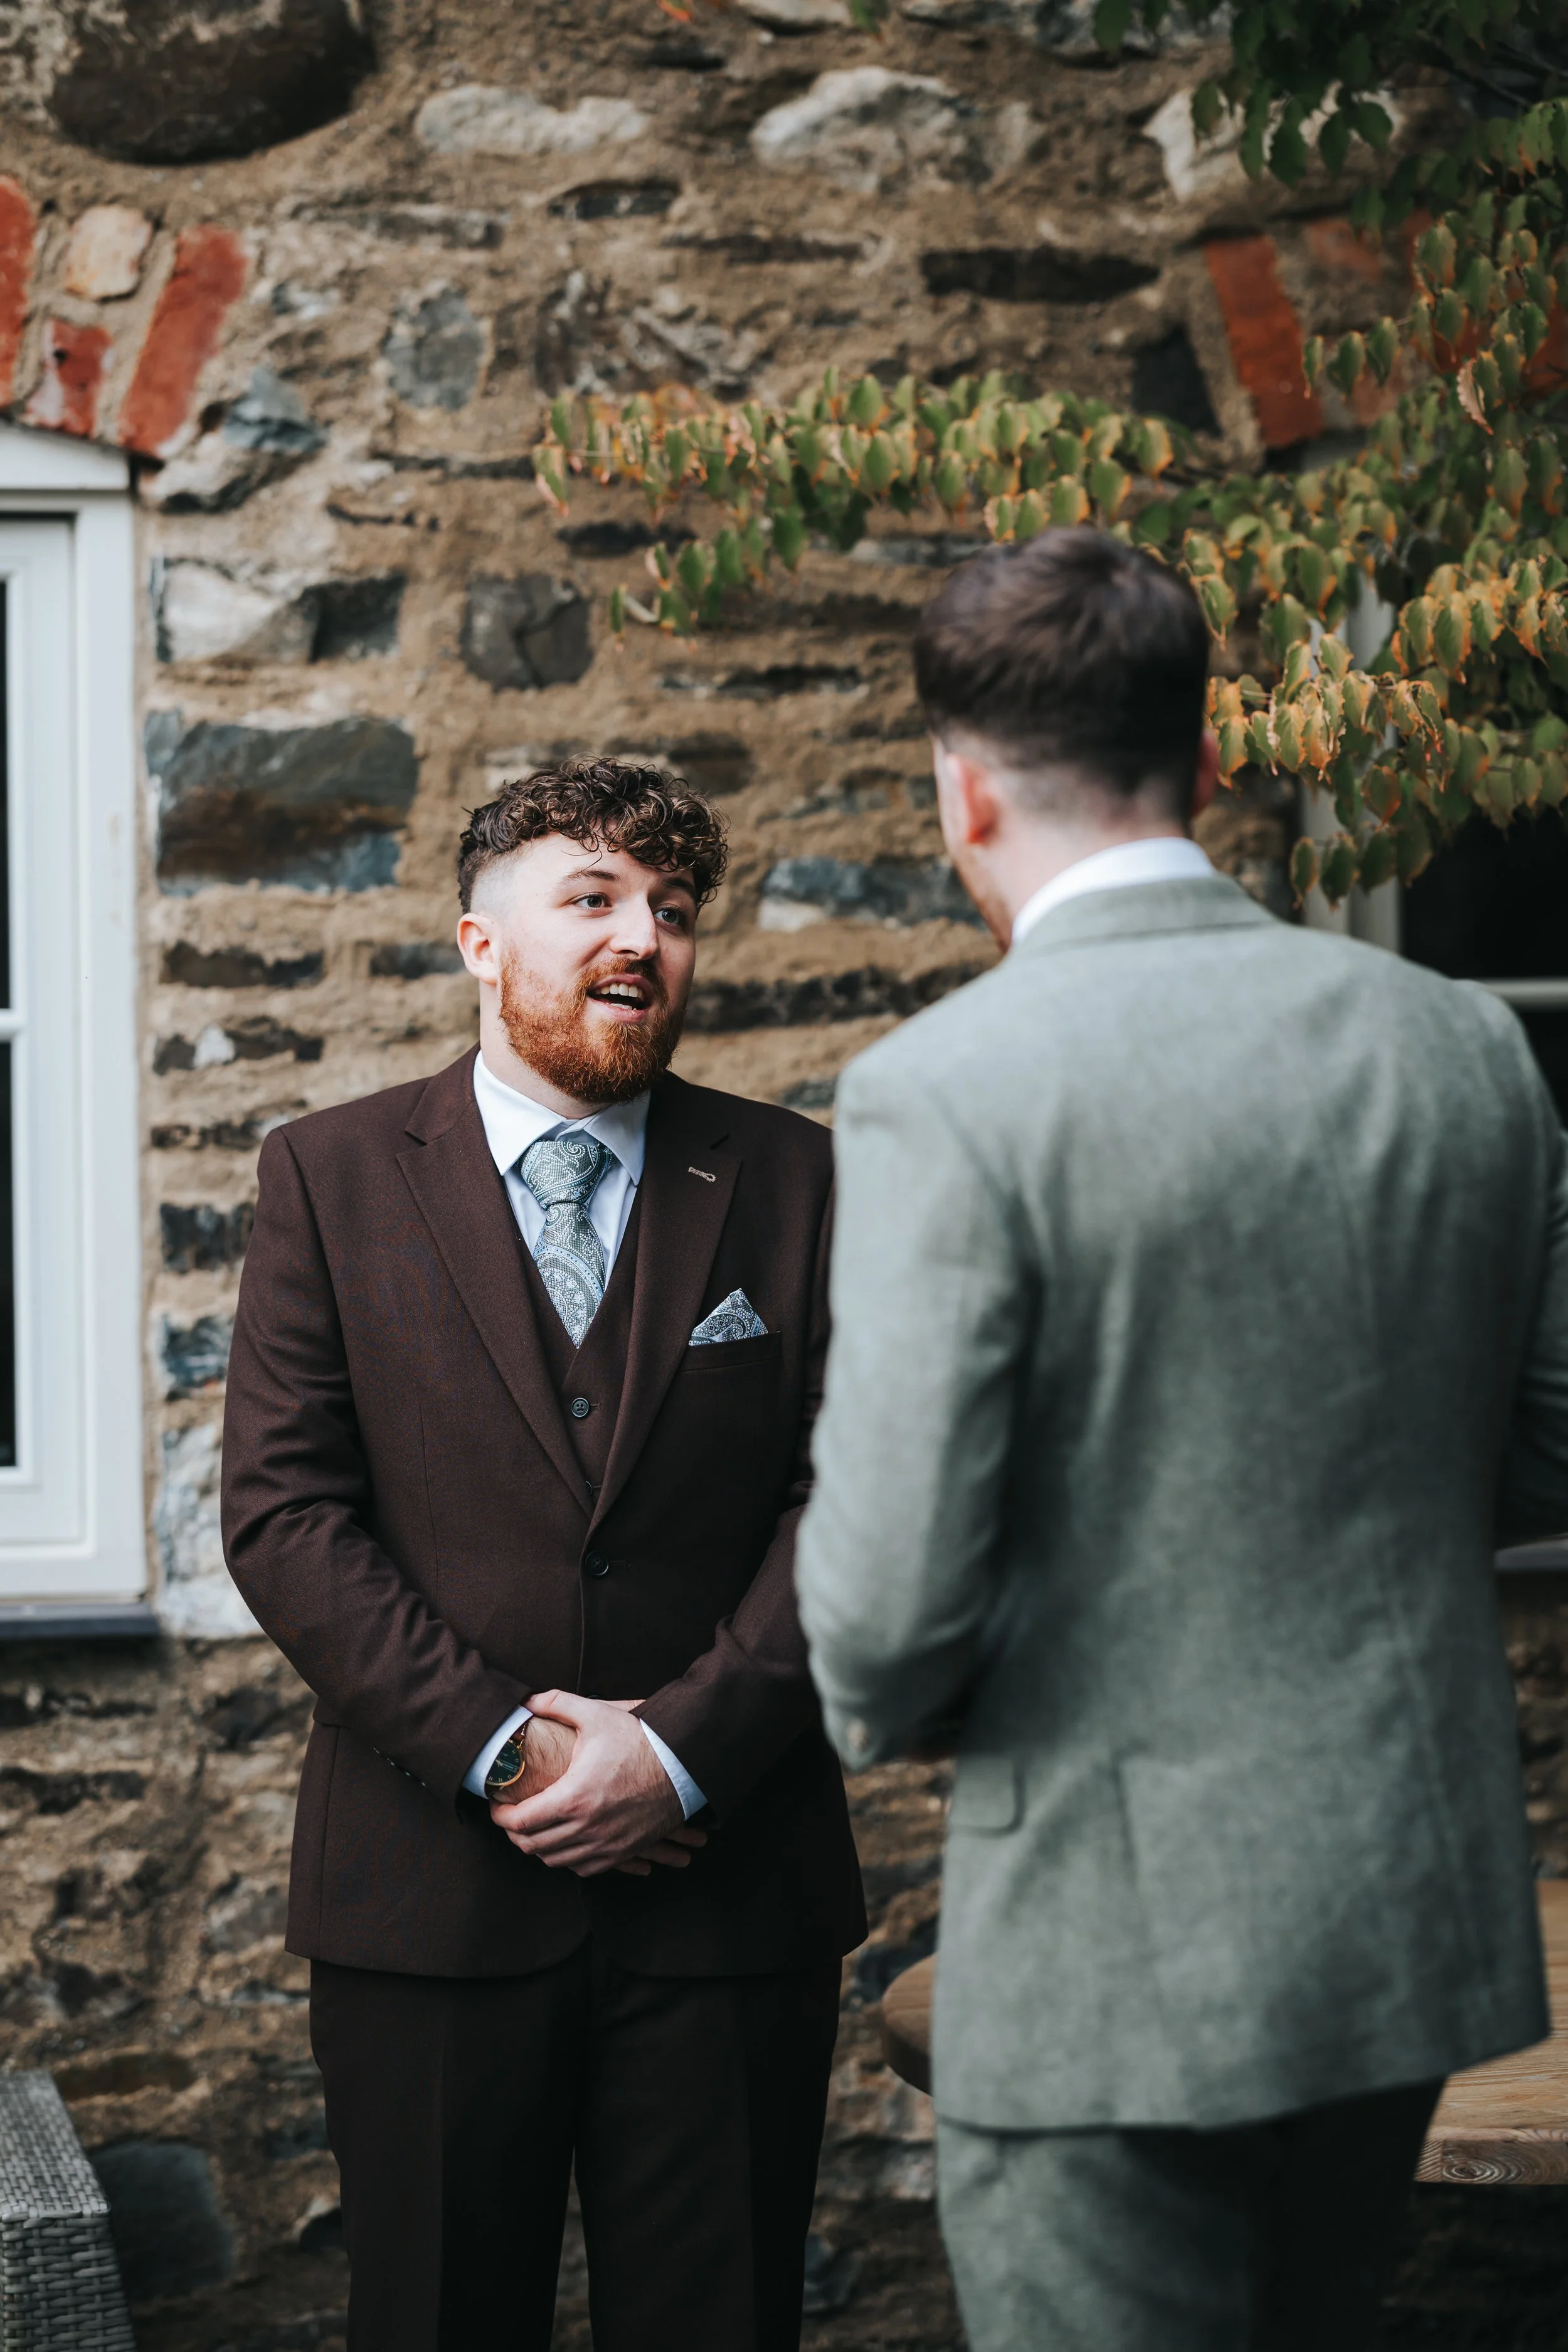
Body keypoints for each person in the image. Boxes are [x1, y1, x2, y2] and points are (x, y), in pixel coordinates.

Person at [796, 527, 1568, 2351]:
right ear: (1211, 759)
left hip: (1107, 1949)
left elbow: (886, 1611)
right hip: (1390, 1917)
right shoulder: (1458, 1044)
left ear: (959, 793)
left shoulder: (943, 1090)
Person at [221, 757, 864, 2352]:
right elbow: (284, 1515)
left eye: (671, 910)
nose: (641, 937)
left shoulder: (794, 1176)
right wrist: (513, 1756)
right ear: (477, 943)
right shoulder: (330, 1175)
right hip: (426, 1901)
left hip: (729, 1893)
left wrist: (678, 1754)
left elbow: (857, 1500)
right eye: (591, 900)